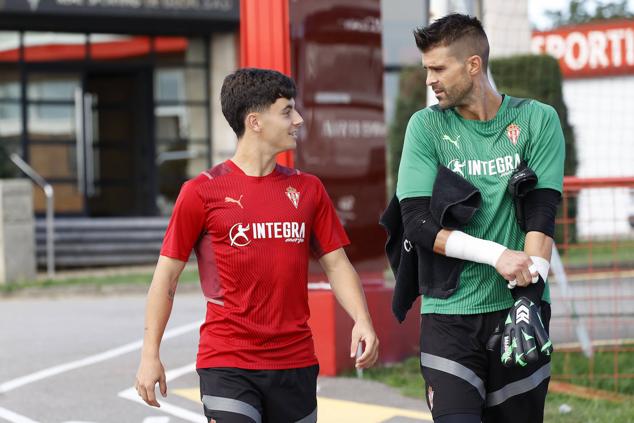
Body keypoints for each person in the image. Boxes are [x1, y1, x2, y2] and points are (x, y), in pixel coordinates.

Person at [135, 68, 379, 423]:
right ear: (255, 122)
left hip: (295, 363)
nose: (297, 120)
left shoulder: (309, 189)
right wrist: (149, 354)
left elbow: (337, 265)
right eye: (286, 111)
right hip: (228, 361)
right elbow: (166, 279)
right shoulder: (201, 192)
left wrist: (363, 319)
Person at [396, 14, 565, 423]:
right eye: (426, 70)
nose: (429, 80)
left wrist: (528, 299)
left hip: (517, 310)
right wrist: (496, 255)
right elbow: (416, 222)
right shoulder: (426, 126)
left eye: (438, 68)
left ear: (473, 64)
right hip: (448, 316)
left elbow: (541, 218)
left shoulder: (536, 120)